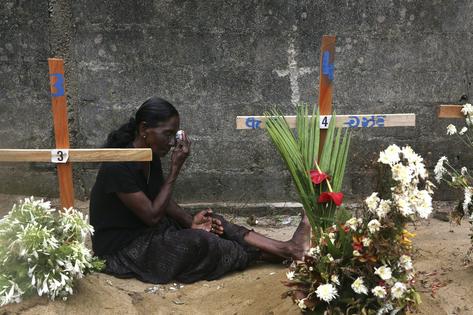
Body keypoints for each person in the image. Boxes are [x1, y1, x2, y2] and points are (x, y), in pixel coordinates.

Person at [89, 96, 311, 284]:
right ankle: (277, 253)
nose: (171, 142)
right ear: (144, 129)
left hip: (148, 233)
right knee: (200, 242)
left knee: (213, 223)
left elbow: (162, 200)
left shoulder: (150, 155)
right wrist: (175, 171)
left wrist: (190, 221)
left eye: (174, 135)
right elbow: (152, 216)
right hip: (124, 249)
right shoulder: (117, 164)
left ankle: (286, 249)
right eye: (167, 134)